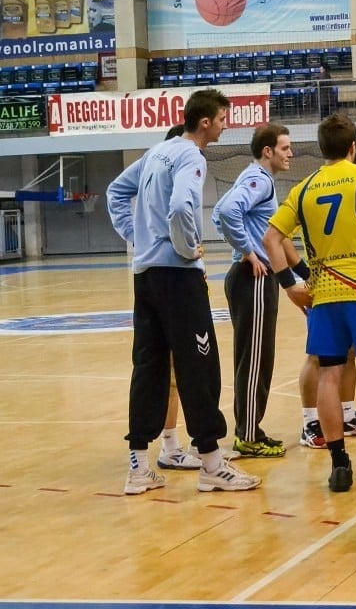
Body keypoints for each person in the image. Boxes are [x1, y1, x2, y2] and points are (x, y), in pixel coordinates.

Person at [106, 89, 261, 494]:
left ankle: (139, 465)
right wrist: (183, 246)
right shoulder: (191, 154)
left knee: (149, 367)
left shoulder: (157, 152)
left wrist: (138, 239)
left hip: (146, 275)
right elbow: (179, 208)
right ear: (206, 121)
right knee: (199, 366)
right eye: (224, 119)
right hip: (177, 276)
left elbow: (116, 192)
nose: (226, 126)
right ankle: (212, 463)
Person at [262, 113, 356, 492]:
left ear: (321, 149)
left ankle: (339, 464)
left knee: (330, 373)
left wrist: (288, 285)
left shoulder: (304, 188)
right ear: (354, 147)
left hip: (323, 291)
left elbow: (271, 240)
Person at [211, 123, 296, 458]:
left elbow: (219, 214)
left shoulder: (257, 179)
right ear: (268, 151)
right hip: (253, 277)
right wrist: (247, 252)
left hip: (254, 277)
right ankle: (246, 435)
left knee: (259, 357)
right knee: (255, 358)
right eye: (285, 148)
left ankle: (252, 428)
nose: (290, 154)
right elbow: (228, 211)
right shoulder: (259, 179)